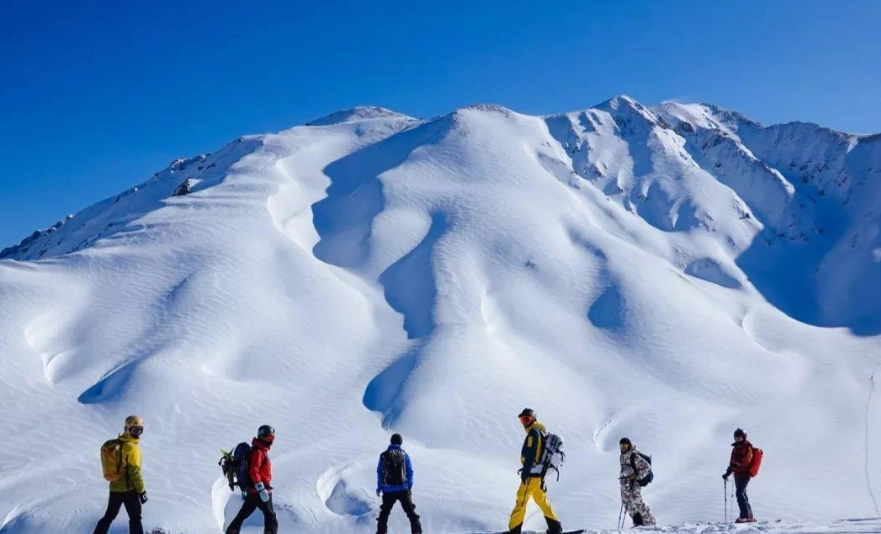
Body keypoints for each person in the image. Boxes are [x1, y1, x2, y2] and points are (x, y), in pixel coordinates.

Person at [506, 408, 562, 534]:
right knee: (542, 501)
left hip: (531, 475)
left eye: (527, 419)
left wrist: (525, 472)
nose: (524, 422)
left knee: (521, 500)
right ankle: (555, 528)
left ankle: (514, 530)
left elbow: (531, 455)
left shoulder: (533, 434)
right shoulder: (540, 432)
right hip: (539, 476)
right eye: (522, 420)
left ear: (534, 419)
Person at [94, 415, 148, 534]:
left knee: (109, 517)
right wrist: (142, 491)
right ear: (127, 429)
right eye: (134, 430)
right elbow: (135, 472)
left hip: (115, 489)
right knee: (135, 518)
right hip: (129, 490)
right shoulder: (132, 448)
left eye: (140, 430)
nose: (137, 433)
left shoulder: (117, 444)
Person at [226, 425, 279, 534]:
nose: (270, 441)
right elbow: (253, 470)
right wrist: (260, 488)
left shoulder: (260, 450)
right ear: (261, 436)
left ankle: (232, 531)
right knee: (270, 516)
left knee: (243, 514)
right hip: (260, 490)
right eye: (268, 438)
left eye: (272, 438)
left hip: (253, 491)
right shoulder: (258, 452)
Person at [376, 433, 422, 534]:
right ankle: (417, 532)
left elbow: (380, 472)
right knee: (411, 513)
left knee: (384, 515)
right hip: (403, 489)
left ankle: (381, 532)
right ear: (400, 442)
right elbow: (410, 472)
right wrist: (408, 487)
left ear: (391, 441)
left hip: (388, 490)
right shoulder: (404, 455)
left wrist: (379, 487)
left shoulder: (384, 455)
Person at [618, 437, 655, 527]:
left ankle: (649, 523)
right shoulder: (622, 457)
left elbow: (647, 468)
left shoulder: (634, 456)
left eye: (625, 445)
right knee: (628, 503)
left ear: (629, 445)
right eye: (621, 445)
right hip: (625, 484)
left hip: (634, 482)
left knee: (637, 501)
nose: (623, 447)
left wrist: (636, 476)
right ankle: (638, 522)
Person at [723, 428, 755, 523]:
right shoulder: (735, 448)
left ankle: (745, 515)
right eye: (736, 438)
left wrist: (739, 464)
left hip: (745, 473)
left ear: (743, 437)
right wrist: (727, 473)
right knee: (743, 494)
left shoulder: (747, 447)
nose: (737, 439)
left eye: (739, 438)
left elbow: (747, 459)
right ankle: (750, 516)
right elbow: (732, 462)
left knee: (739, 493)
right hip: (737, 474)